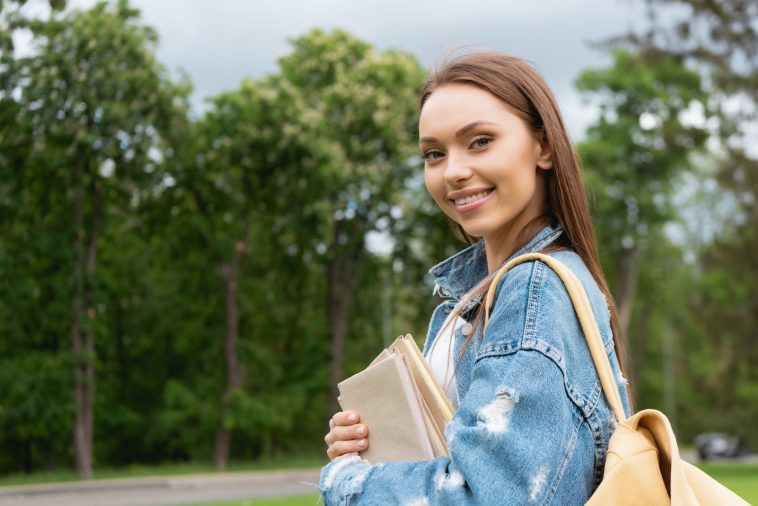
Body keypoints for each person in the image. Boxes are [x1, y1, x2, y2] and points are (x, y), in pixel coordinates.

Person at [320, 52, 632, 505]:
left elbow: (486, 496)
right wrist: (367, 449)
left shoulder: (534, 289)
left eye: (481, 141)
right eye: (434, 153)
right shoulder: (480, 295)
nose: (454, 171)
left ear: (543, 147)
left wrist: (345, 482)